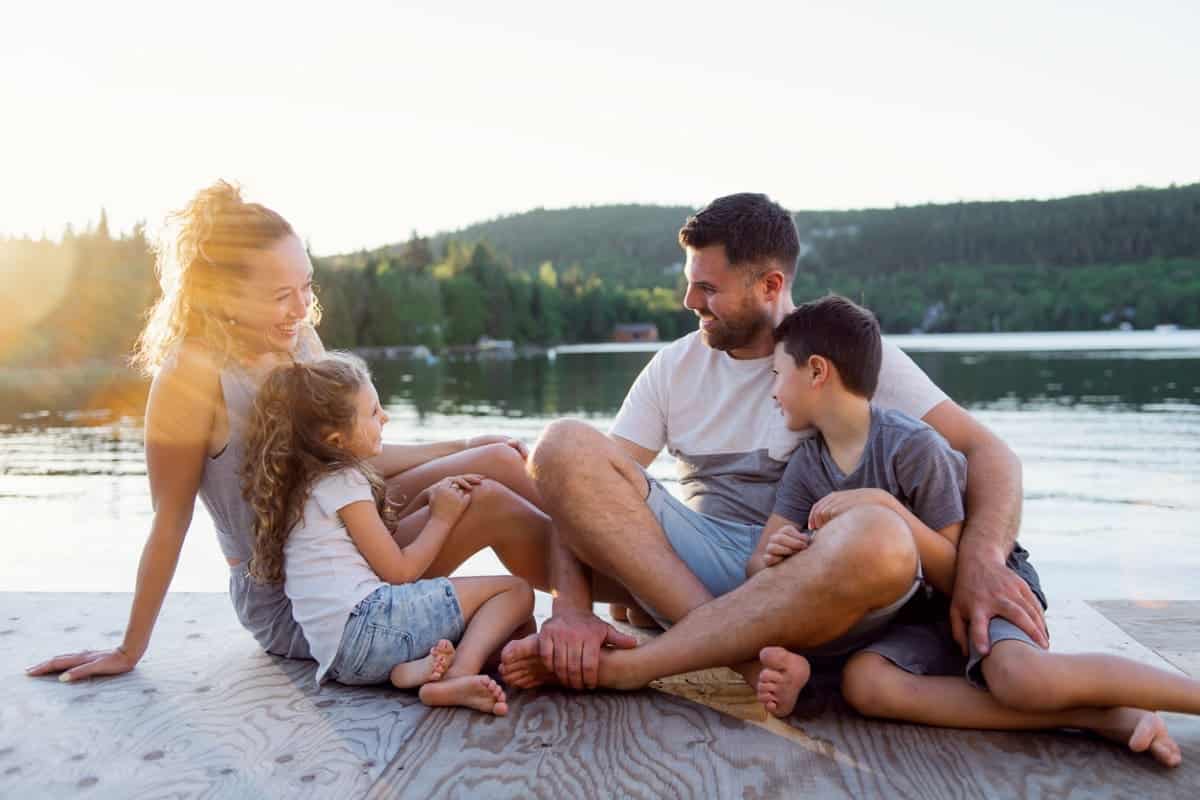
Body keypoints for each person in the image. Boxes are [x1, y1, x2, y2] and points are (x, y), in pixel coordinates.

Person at [500, 192, 1043, 692]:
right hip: (702, 569)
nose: (689, 301)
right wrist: (570, 607)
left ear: (770, 286)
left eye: (708, 288)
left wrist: (981, 562)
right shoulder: (675, 366)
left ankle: (660, 652)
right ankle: (741, 658)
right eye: (691, 283)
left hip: (818, 583)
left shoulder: (842, 358)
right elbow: (581, 493)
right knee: (560, 448)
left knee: (883, 535)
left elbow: (990, 452)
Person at [26, 180, 552, 683]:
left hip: (344, 537)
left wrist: (464, 445)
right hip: (297, 597)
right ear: (223, 296)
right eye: (281, 295)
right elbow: (170, 520)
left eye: (306, 287)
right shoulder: (192, 374)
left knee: (501, 461)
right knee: (485, 502)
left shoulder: (299, 341)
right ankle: (592, 605)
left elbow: (347, 458)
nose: (300, 309)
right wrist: (128, 648)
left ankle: (615, 591)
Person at [750, 295, 1189, 767]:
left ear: (817, 372)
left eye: (778, 374)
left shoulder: (914, 445)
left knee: (1021, 679)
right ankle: (1098, 716)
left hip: (979, 584)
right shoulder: (806, 465)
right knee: (865, 684)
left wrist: (885, 507)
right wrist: (778, 554)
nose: (773, 390)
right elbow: (758, 566)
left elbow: (954, 571)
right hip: (914, 619)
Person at [242, 354, 531, 714]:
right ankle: (458, 674)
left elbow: (364, 546)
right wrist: (442, 517)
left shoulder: (299, 488)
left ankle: (408, 672)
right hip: (372, 624)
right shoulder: (343, 481)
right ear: (336, 439)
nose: (385, 417)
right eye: (374, 412)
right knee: (516, 592)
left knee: (515, 632)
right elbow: (399, 572)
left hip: (341, 660)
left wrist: (429, 498)